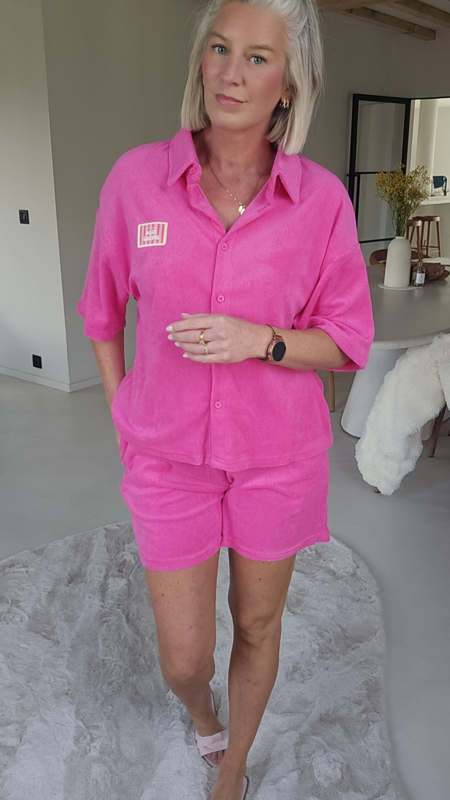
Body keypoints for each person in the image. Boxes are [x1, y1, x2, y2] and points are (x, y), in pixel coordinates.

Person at [77, 1, 374, 798]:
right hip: (168, 456)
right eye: (219, 48)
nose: (230, 73)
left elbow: (348, 339)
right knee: (184, 658)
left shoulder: (321, 203)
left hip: (278, 458)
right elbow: (102, 315)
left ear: (290, 84)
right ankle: (200, 708)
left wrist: (261, 339)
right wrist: (124, 416)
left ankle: (234, 763)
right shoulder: (137, 182)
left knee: (257, 622)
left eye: (257, 57)